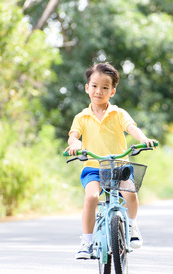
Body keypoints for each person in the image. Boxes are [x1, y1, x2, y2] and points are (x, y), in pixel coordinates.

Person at [65, 62, 157, 259]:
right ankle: (87, 242)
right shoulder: (81, 117)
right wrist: (75, 144)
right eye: (95, 86)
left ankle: (131, 226)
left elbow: (132, 128)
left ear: (112, 91)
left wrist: (143, 139)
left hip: (119, 165)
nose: (99, 91)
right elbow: (73, 136)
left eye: (105, 87)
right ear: (87, 87)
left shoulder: (118, 113)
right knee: (91, 198)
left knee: (129, 193)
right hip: (93, 167)